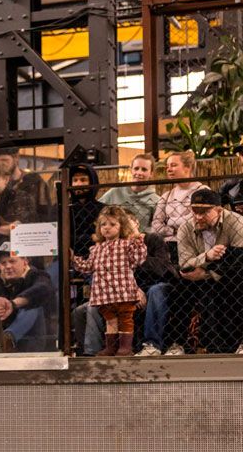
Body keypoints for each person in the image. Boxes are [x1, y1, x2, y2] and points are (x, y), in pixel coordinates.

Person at [172, 187, 243, 354]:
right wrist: (207, 256)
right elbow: (185, 265)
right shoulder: (185, 228)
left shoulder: (236, 222)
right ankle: (178, 344)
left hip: (229, 275)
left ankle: (237, 342)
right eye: (195, 211)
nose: (198, 217)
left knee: (237, 281)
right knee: (176, 287)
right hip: (196, 278)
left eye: (204, 212)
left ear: (219, 210)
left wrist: (206, 271)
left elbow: (239, 259)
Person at [71, 206, 146, 356]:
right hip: (105, 293)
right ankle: (111, 347)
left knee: (125, 318)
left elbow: (138, 259)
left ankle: (125, 348)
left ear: (121, 227)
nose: (107, 228)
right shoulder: (96, 249)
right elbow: (88, 267)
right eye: (103, 224)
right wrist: (73, 259)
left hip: (123, 291)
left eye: (112, 225)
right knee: (110, 320)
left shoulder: (126, 244)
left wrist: (137, 240)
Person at [150, 150, 204, 247]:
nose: (169, 169)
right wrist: (172, 230)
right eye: (168, 166)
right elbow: (155, 225)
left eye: (173, 165)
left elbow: (198, 220)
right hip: (168, 246)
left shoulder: (201, 191)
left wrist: (170, 222)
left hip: (195, 243)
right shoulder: (166, 196)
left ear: (187, 167)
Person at [98, 152, 158, 231]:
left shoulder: (156, 200)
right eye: (136, 168)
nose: (139, 173)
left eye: (144, 169)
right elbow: (97, 210)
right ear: (131, 170)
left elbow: (156, 227)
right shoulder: (115, 191)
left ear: (151, 173)